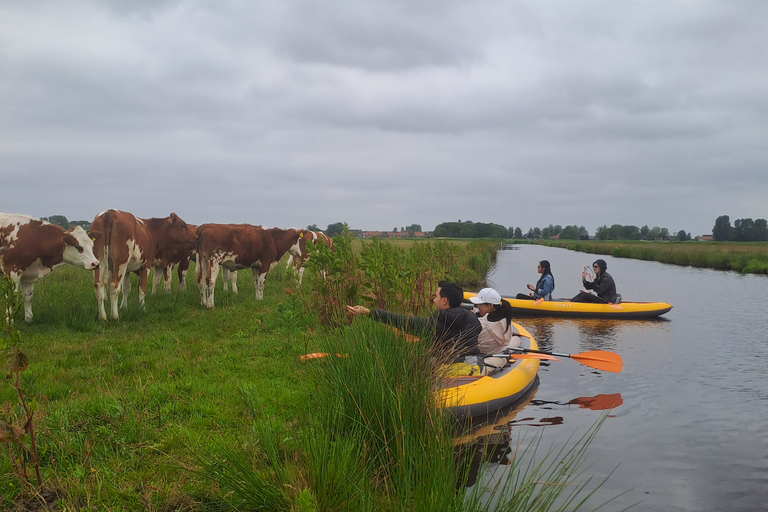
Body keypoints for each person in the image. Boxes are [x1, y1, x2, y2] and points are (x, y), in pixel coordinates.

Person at [346, 280, 481, 361]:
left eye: (436, 296)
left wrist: (369, 312)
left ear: (444, 300)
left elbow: (407, 323)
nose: (434, 300)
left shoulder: (442, 319)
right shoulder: (471, 317)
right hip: (471, 363)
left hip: (452, 367)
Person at [469, 287, 522, 356]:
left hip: (487, 352)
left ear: (490, 305)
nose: (477, 307)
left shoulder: (480, 325)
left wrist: (472, 318)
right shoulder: (506, 320)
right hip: (500, 349)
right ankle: (506, 351)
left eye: (480, 304)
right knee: (517, 339)